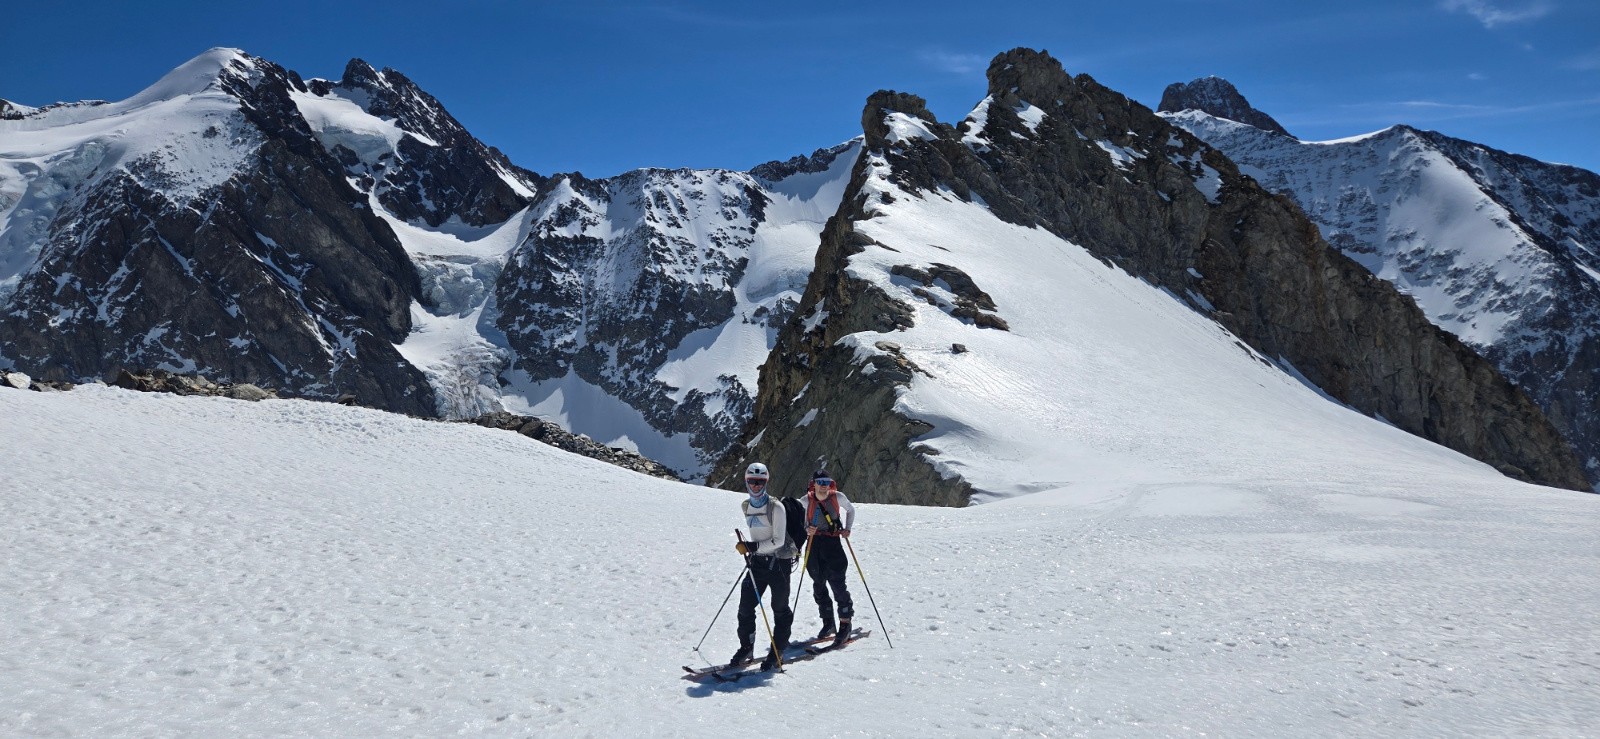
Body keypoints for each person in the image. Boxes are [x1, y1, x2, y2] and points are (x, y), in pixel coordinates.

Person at [730, 462, 796, 671]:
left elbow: (778, 541)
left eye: (760, 482)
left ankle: (778, 651)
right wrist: (751, 549)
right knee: (745, 607)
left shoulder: (776, 507)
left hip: (779, 564)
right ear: (746, 481)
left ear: (766, 482)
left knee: (780, 609)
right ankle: (746, 647)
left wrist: (752, 546)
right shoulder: (745, 506)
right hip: (757, 563)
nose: (756, 486)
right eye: (752, 481)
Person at [803, 469, 856, 648]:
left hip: (832, 543)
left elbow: (851, 509)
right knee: (818, 584)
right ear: (814, 483)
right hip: (814, 544)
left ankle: (845, 624)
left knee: (837, 584)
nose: (824, 486)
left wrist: (847, 528)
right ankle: (828, 623)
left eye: (827, 482)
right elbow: (795, 519)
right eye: (820, 482)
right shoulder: (806, 501)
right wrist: (805, 529)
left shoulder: (837, 497)